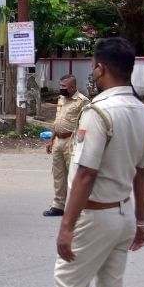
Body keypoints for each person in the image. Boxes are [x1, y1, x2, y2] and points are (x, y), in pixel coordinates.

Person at [54, 37, 144, 287]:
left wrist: (66, 226)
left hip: (95, 216)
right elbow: (142, 174)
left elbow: (85, 173)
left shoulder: (98, 112)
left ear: (103, 68)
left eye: (94, 65)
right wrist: (141, 220)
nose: (91, 71)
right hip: (125, 214)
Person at [44, 74, 89, 217]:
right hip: (59, 141)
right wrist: (51, 139)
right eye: (60, 85)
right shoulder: (61, 99)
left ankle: (78, 207)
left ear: (73, 87)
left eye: (64, 86)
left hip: (72, 142)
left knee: (75, 176)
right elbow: (57, 121)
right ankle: (58, 205)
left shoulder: (82, 102)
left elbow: (88, 125)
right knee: (58, 175)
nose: (61, 88)